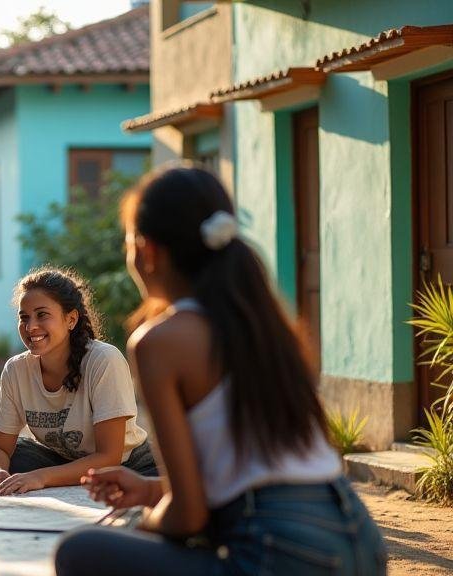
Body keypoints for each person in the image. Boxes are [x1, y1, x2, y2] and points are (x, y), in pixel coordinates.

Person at [55, 166, 386, 575]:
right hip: (359, 539)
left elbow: (188, 515)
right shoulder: (263, 324)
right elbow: (261, 474)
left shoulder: (159, 341)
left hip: (282, 551)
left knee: (81, 551)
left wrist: (144, 522)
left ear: (147, 251)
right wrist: (152, 489)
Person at [0, 267, 157, 496]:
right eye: (24, 317)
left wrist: (41, 477)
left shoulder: (103, 360)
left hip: (128, 467)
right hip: (62, 460)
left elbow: (109, 457)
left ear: (71, 319)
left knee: (146, 485)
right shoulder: (16, 369)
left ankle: (65, 479)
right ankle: (65, 478)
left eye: (42, 315)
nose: (31, 327)